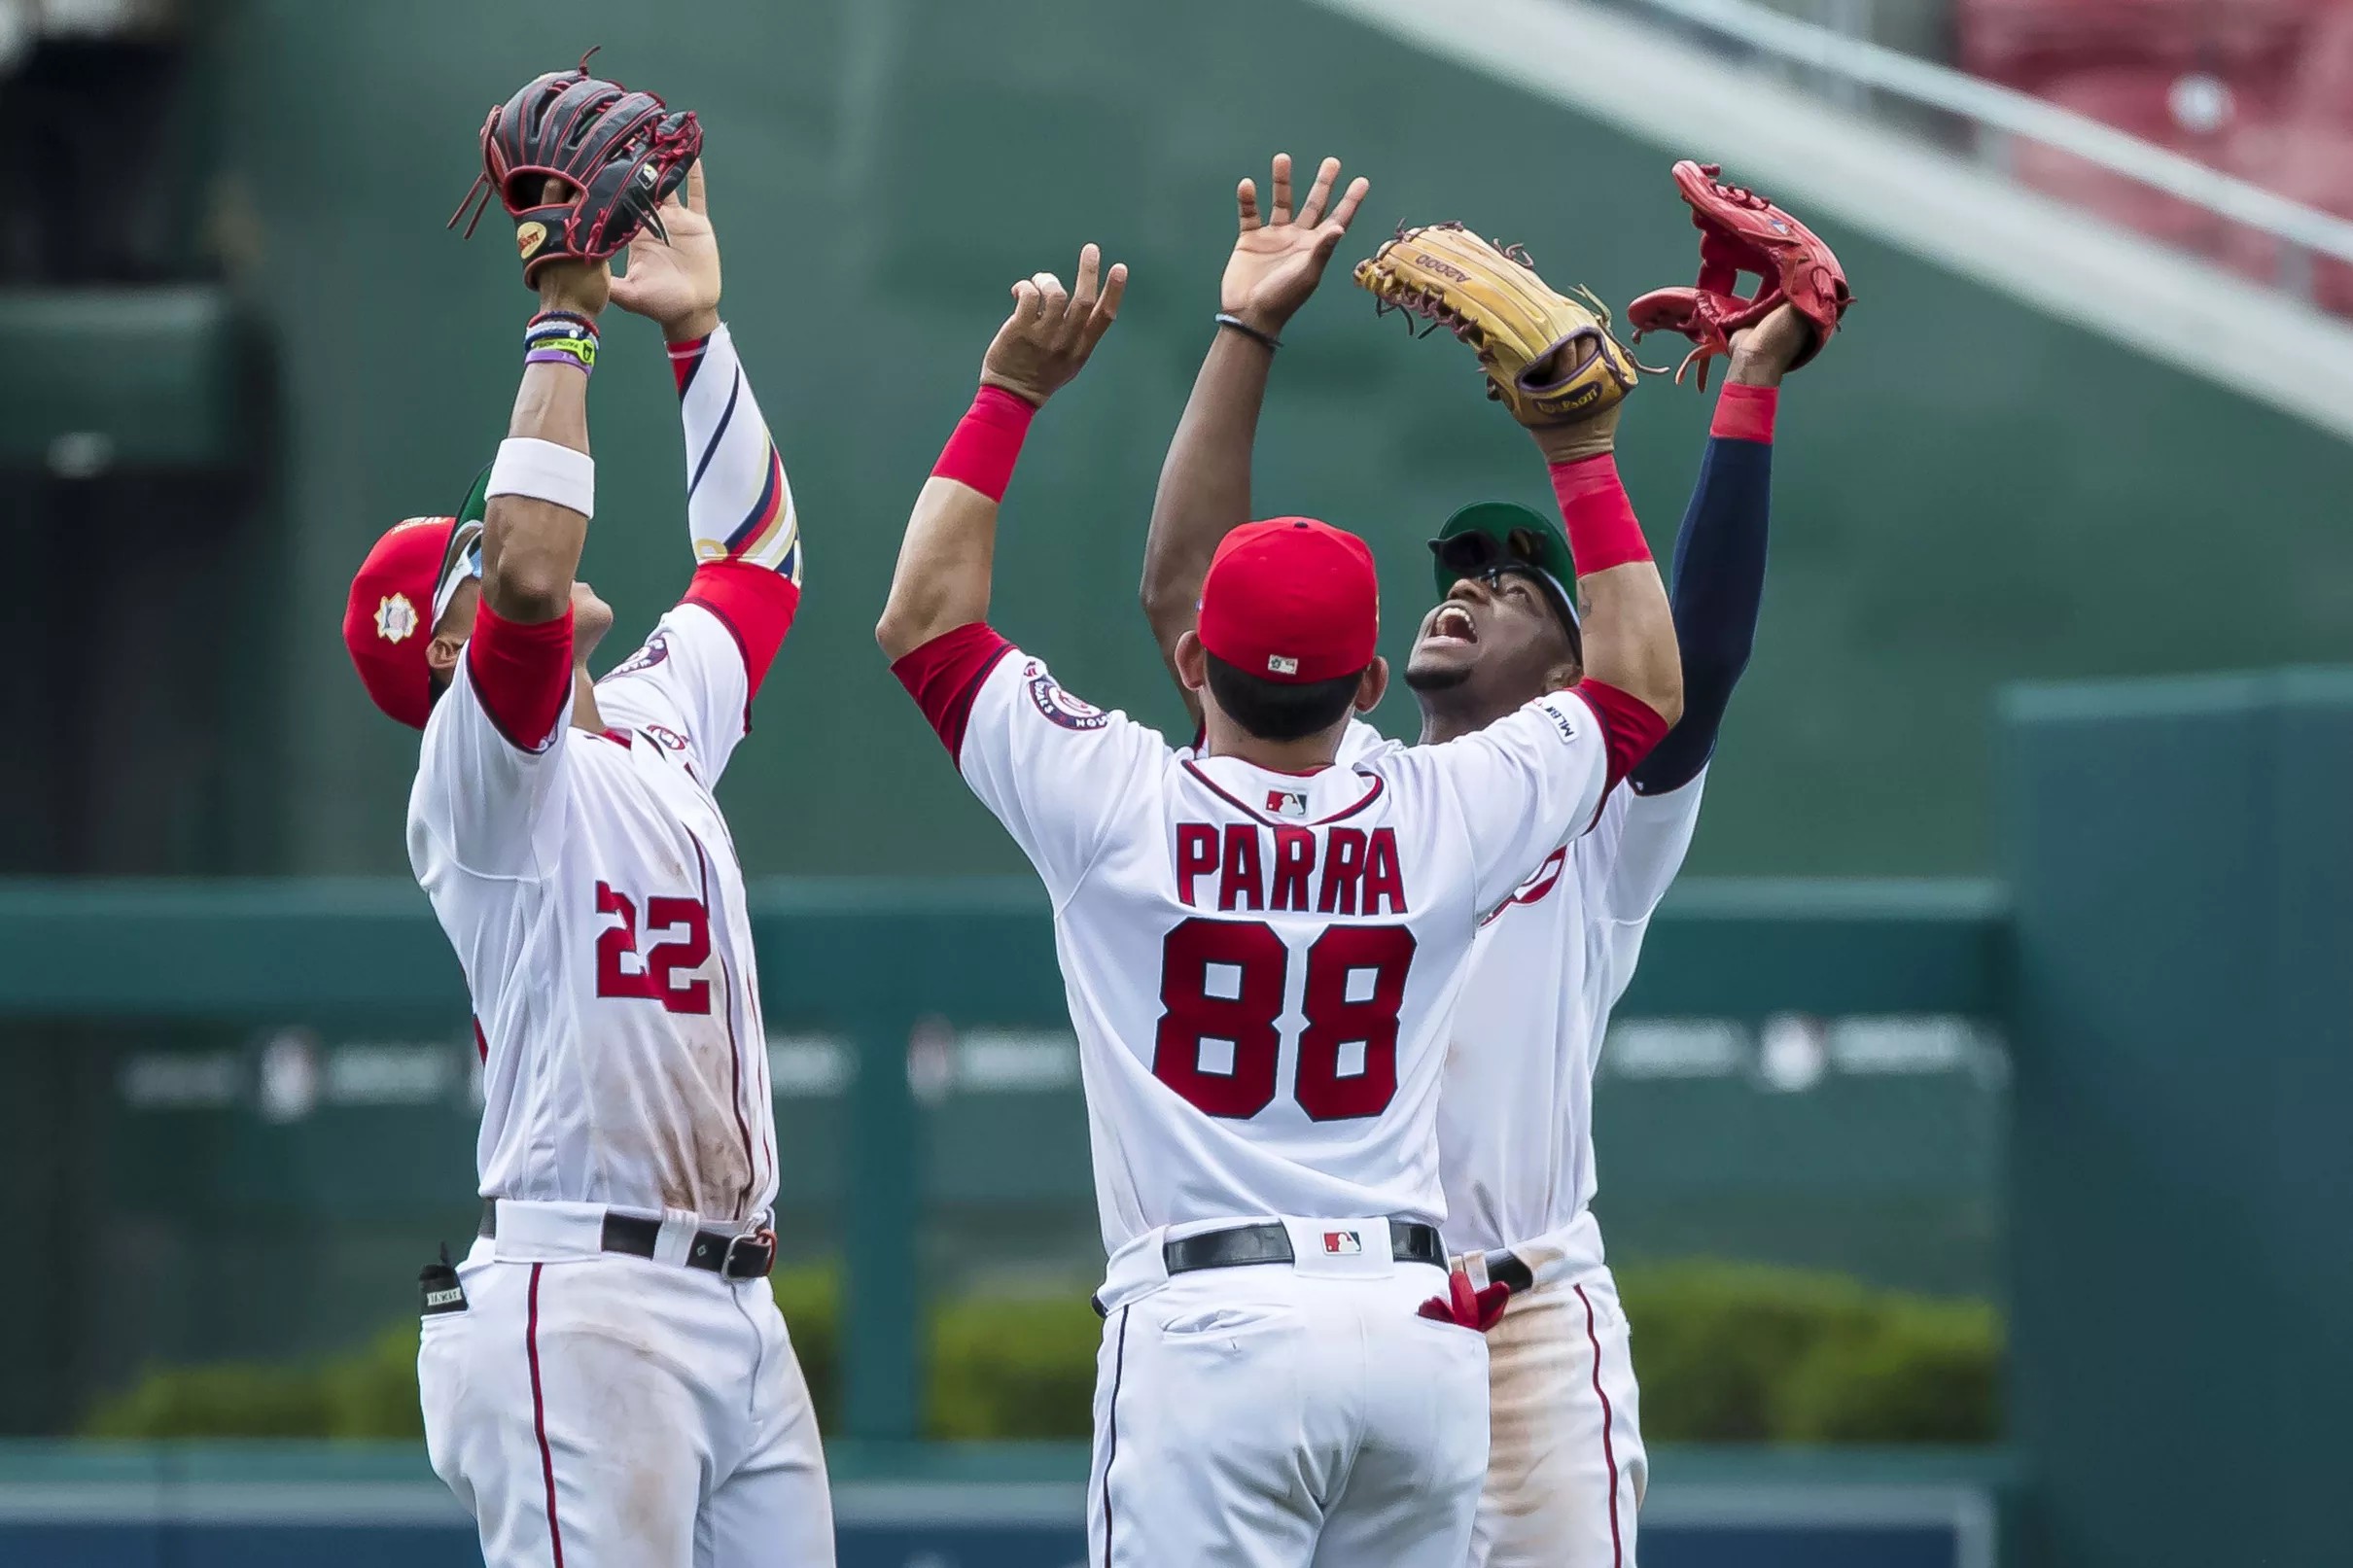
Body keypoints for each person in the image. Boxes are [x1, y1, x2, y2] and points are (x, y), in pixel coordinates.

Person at [874, 220, 1683, 1566]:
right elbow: (1644, 684)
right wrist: (1583, 454)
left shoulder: (1119, 800)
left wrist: (1007, 394)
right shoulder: (1442, 810)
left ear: (1195, 661)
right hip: (1414, 1337)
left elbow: (926, 619)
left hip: (1211, 1328)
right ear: (1368, 683)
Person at [1141, 155, 1813, 1568]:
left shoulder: (1596, 816)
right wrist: (1247, 328)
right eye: (1457, 574)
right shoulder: (1347, 792)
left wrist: (1745, 394)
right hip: (1325, 1312)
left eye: (1513, 587)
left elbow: (1696, 662)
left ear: (1579, 668)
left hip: (1525, 1324)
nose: (1468, 586)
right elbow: (1195, 598)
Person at [339, 161, 832, 1566]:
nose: (505, 544)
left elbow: (756, 565)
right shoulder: (483, 773)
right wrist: (566, 320)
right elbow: (533, 578)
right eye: (473, 556)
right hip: (582, 1293)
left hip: (732, 1300)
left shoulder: (652, 727)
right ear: (451, 650)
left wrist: (698, 337)